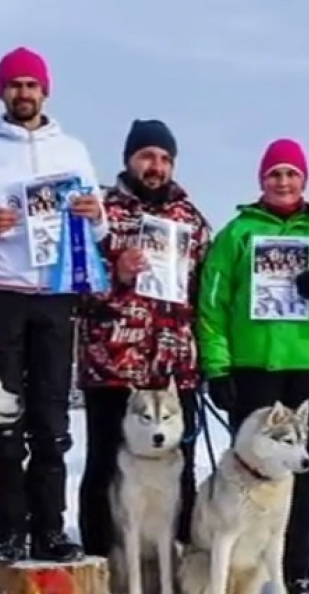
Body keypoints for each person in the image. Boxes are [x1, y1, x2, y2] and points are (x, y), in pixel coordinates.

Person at [0, 47, 108, 563]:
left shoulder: (73, 150)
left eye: (32, 84)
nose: (24, 93)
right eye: (15, 85)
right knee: (2, 417)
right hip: (1, 295)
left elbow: (97, 226)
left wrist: (94, 214)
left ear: (46, 92)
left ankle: (51, 530)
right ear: (1, 92)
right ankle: (9, 530)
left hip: (56, 297)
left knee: (51, 421)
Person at [198, 138, 309, 594]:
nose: (283, 182)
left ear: (303, 179)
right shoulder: (237, 233)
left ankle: (297, 570)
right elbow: (212, 305)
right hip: (253, 367)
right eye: (274, 174)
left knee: (301, 466)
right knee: (248, 472)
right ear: (261, 180)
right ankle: (235, 568)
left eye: (292, 174)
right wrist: (217, 368)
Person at [75, 119, 210, 559]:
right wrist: (114, 274)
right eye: (147, 156)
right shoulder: (100, 212)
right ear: (129, 159)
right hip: (113, 362)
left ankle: (177, 562)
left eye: (165, 158)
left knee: (180, 469)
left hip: (174, 367)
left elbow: (206, 295)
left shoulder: (192, 220)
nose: (156, 166)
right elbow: (73, 290)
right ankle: (99, 559)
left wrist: (208, 359)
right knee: (103, 466)